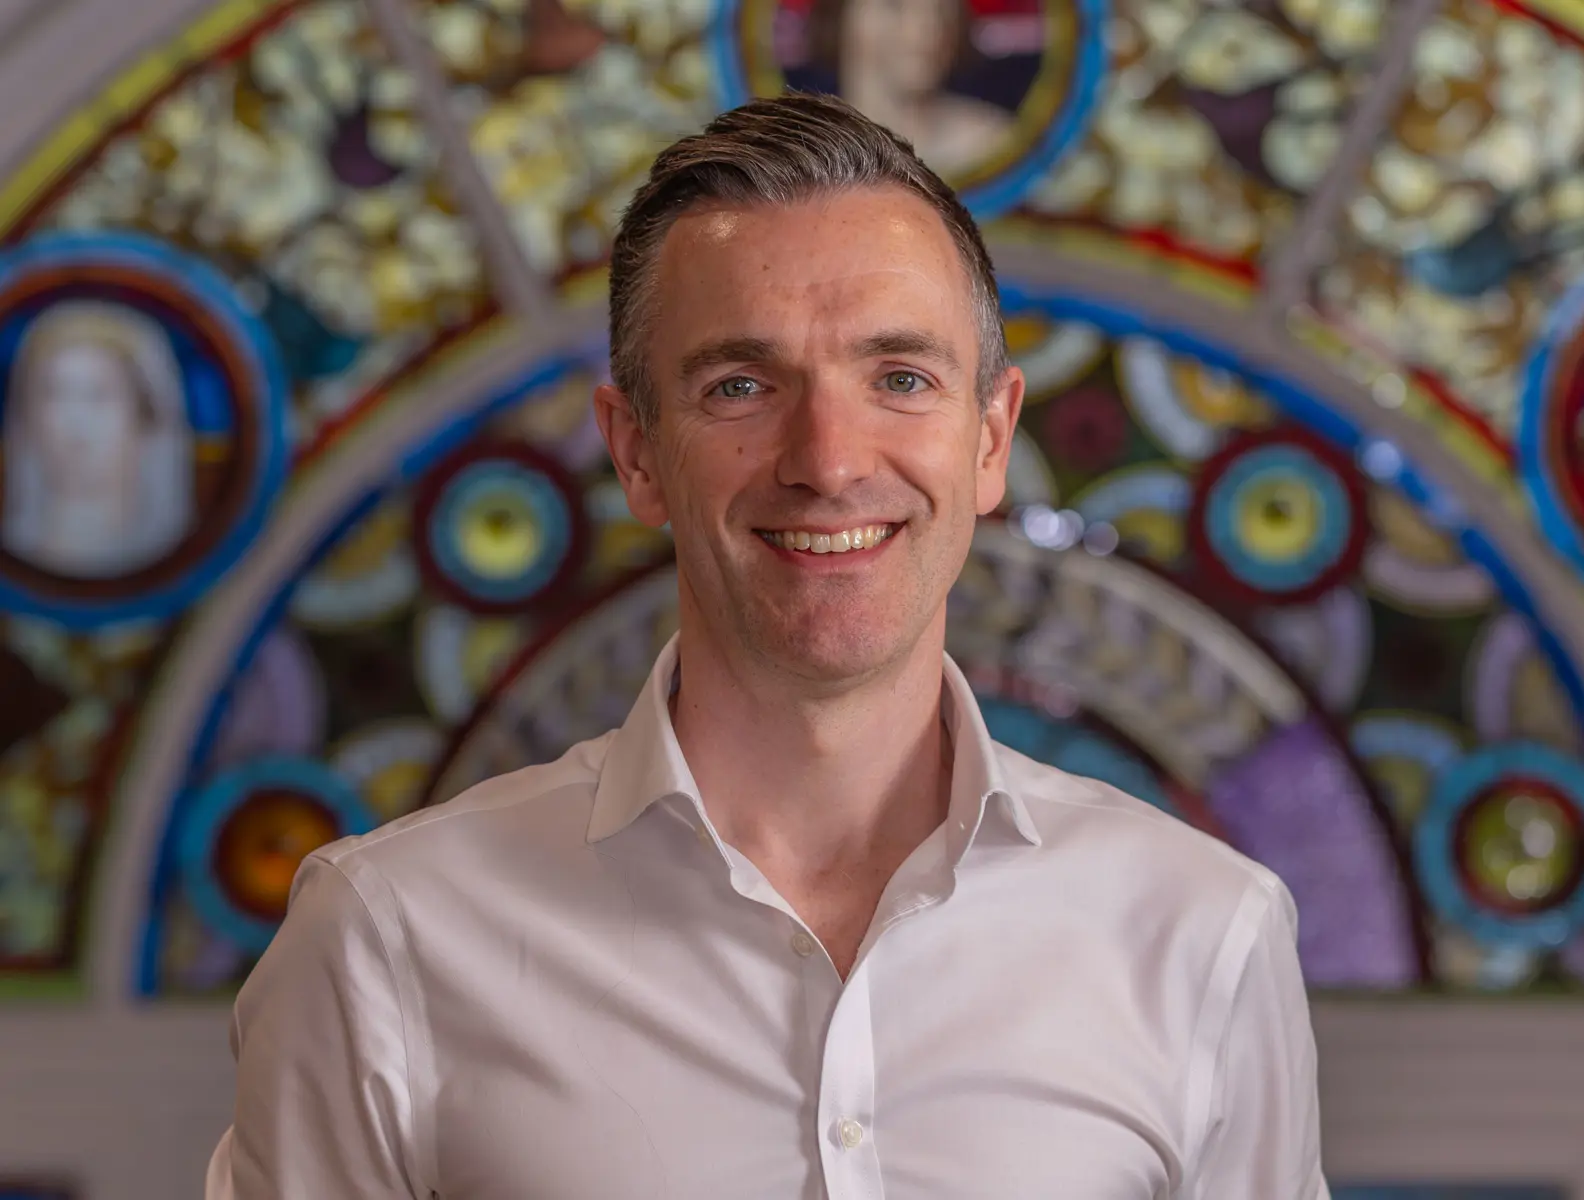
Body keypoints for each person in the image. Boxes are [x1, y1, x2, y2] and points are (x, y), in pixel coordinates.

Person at [207, 93, 1331, 1198]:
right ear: (636, 450)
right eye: (741, 385)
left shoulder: (1199, 933)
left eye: (899, 379)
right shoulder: (386, 941)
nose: (829, 460)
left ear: (989, 440)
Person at [1, 300, 194, 579]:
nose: (76, 422)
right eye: (54, 395)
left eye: (98, 396)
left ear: (144, 418)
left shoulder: (179, 558)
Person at [806, 0, 1013, 179]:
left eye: (941, 9)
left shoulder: (995, 144)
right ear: (840, 15)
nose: (926, 27)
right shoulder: (803, 148)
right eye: (894, 5)